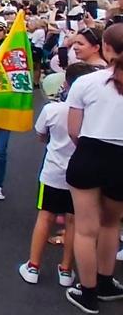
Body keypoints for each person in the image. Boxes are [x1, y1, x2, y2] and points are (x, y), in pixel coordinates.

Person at [19, 63, 98, 288]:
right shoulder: (94, 114)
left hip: (53, 171)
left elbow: (40, 135)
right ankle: (66, 270)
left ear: (66, 84)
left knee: (45, 216)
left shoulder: (52, 109)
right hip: (82, 172)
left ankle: (33, 266)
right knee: (74, 221)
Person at [64, 24, 123, 314]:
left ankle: (87, 293)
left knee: (87, 229)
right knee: (112, 223)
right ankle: (106, 281)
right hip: (121, 158)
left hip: (90, 153)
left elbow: (73, 130)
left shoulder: (85, 83)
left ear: (107, 48)